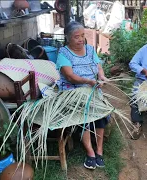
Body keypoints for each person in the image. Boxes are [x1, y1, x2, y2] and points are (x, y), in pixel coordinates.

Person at [56, 21, 109, 170]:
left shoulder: (91, 49)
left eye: (83, 36)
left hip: (92, 88)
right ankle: (90, 152)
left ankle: (99, 150)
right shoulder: (63, 53)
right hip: (74, 90)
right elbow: (70, 76)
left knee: (101, 113)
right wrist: (88, 81)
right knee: (83, 114)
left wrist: (102, 77)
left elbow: (98, 66)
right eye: (76, 37)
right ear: (68, 38)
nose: (81, 39)